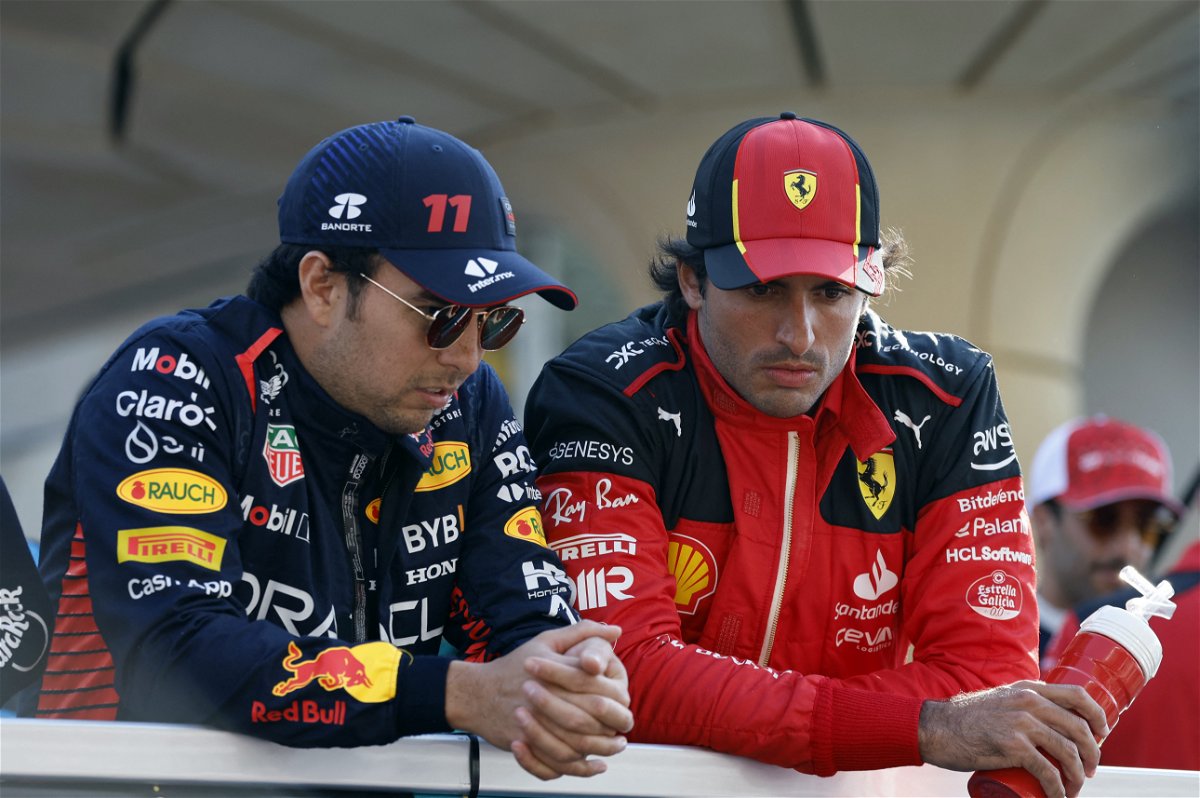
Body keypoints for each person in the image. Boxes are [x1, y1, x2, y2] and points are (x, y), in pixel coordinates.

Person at [26, 117, 631, 781]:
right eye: (441, 314)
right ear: (321, 286)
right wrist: (455, 694)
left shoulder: (468, 405)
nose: (464, 356)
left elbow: (526, 622)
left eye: (493, 320)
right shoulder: (176, 377)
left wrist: (572, 675)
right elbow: (179, 652)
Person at [524, 113, 1108, 797]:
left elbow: (990, 681)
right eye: (763, 289)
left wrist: (783, 717)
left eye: (832, 292)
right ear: (690, 280)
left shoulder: (945, 396)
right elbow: (619, 674)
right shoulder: (601, 391)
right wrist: (920, 725)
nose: (800, 334)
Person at [1026, 416, 1184, 666]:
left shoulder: (1167, 655)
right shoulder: (993, 639)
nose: (1128, 547)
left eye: (1147, 525)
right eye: (1103, 519)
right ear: (1044, 520)